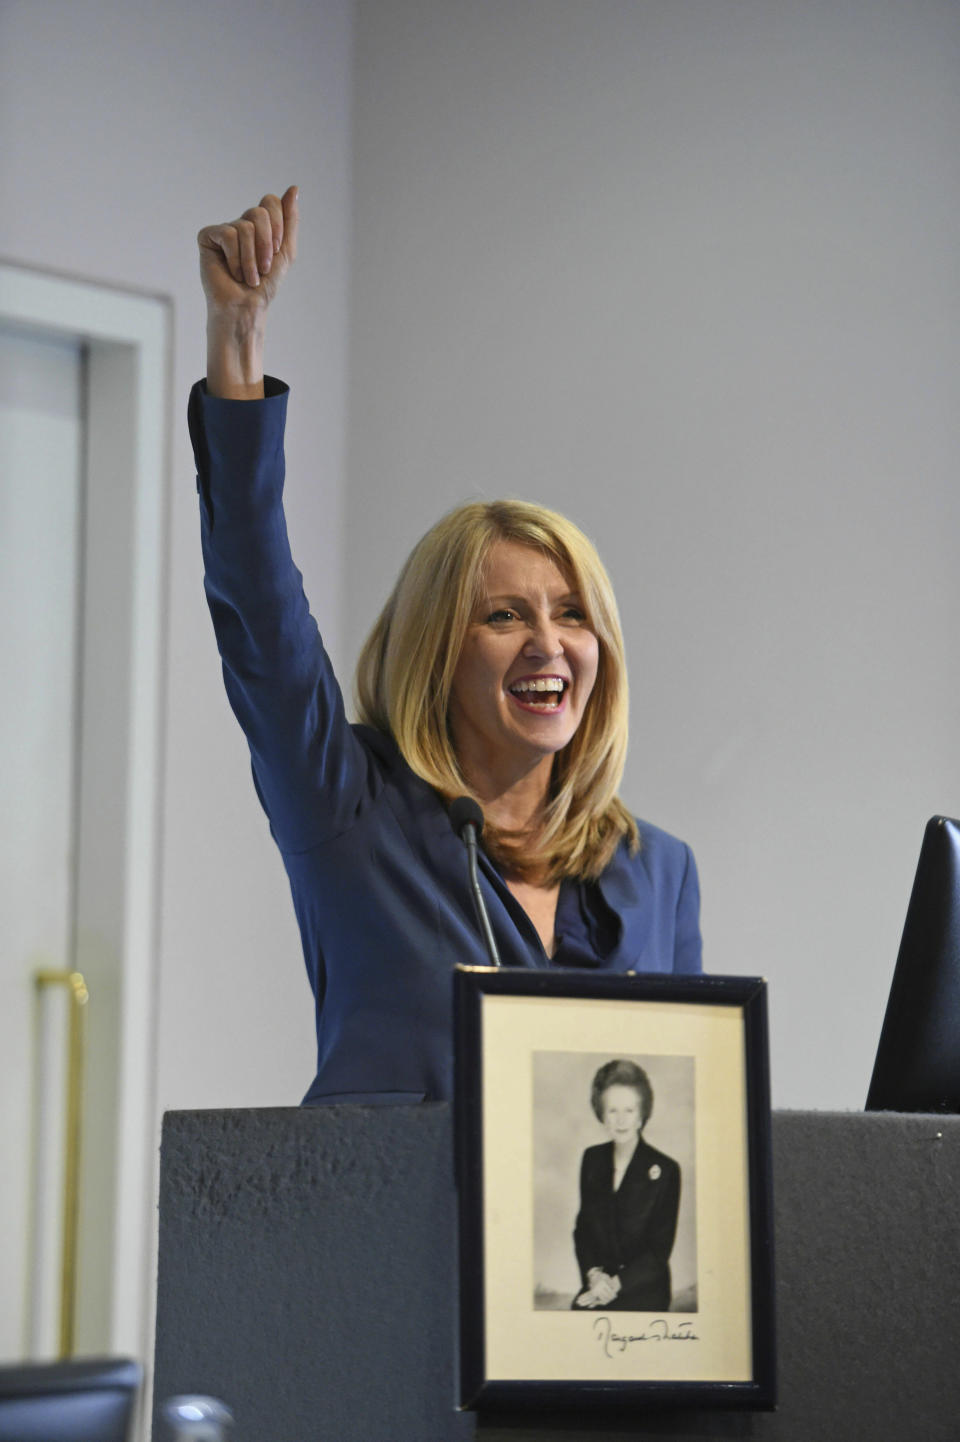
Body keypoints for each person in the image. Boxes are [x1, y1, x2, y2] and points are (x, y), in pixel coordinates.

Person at [192, 187, 703, 1106]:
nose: (549, 643)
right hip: (391, 1242)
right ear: (437, 650)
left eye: (573, 614)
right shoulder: (349, 812)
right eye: (505, 616)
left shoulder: (656, 869)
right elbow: (260, 612)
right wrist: (238, 341)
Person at [573, 1059, 680, 1312]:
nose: (620, 1120)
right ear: (601, 1114)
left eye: (629, 1111)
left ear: (642, 1115)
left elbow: (658, 1253)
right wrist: (594, 1277)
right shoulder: (592, 1160)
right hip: (599, 1285)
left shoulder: (666, 1170)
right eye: (612, 1111)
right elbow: (583, 1230)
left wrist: (614, 1285)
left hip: (642, 1289)